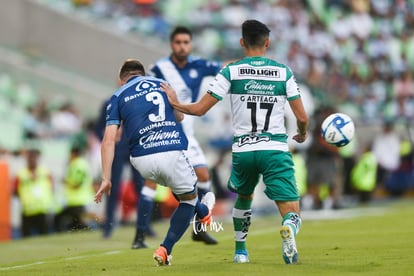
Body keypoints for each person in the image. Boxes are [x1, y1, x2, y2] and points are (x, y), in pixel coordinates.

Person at [162, 19, 308, 264]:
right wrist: (302, 132)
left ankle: (240, 251)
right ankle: (288, 231)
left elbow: (199, 110)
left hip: (244, 150)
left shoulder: (231, 71)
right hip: (274, 149)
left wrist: (174, 103)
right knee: (291, 209)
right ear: (268, 43)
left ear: (242, 42)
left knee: (244, 197)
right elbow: (302, 117)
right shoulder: (283, 72)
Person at [94, 59, 216, 266]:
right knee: (188, 200)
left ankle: (199, 213)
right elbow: (179, 117)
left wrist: (106, 178)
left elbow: (108, 141)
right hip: (170, 150)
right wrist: (175, 100)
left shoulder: (117, 95)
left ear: (122, 80)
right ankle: (167, 246)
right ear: (143, 74)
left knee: (174, 187)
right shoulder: (162, 84)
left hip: (141, 161)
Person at [142, 25, 225, 245]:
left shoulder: (199, 64)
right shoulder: (160, 69)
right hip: (168, 132)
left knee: (204, 176)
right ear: (172, 44)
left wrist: (249, 64)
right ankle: (142, 233)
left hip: (188, 131)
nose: (182, 46)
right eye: (178, 42)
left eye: (186, 42)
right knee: (159, 183)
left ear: (190, 44)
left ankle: (199, 228)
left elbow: (226, 67)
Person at [94, 90, 146, 240]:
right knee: (112, 188)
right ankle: (108, 226)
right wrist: (107, 140)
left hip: (134, 149)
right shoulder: (110, 102)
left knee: (140, 187)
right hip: (116, 151)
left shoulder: (137, 102)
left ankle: (145, 226)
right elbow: (98, 127)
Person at [13, 147, 55, 238]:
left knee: (44, 236)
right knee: (26, 237)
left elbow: (51, 187)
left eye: (34, 157)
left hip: (42, 209)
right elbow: (15, 191)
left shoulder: (45, 172)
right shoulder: (21, 174)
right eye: (30, 158)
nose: (32, 160)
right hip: (27, 210)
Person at [54, 140, 95, 232]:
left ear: (74, 153)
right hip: (77, 201)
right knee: (75, 225)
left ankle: (91, 233)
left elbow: (77, 184)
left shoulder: (78, 164)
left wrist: (65, 181)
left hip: (78, 201)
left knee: (76, 224)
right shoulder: (81, 164)